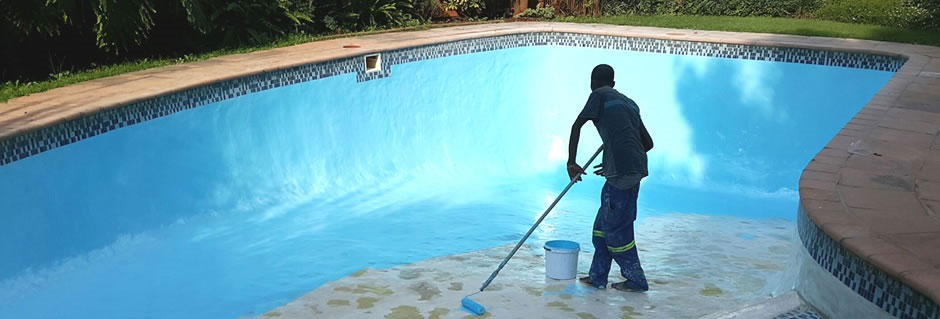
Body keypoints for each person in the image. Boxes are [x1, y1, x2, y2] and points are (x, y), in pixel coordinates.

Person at [567, 64, 654, 292]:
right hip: (630, 170)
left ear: (592, 83)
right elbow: (648, 144)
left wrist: (571, 162)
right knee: (601, 229)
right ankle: (597, 276)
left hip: (622, 174)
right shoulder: (630, 103)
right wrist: (613, 153)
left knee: (616, 231)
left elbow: (577, 125)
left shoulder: (598, 94)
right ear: (613, 83)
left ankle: (636, 280)